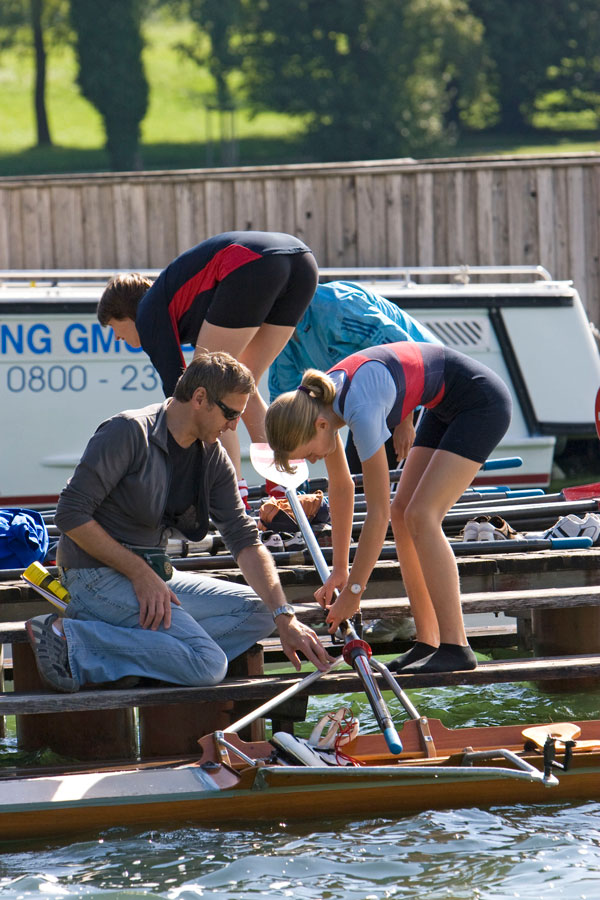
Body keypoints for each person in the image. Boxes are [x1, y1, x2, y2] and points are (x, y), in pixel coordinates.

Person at [25, 350, 330, 693]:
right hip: (92, 575)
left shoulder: (212, 455)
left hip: (154, 575)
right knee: (208, 664)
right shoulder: (128, 431)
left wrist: (285, 615)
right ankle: (67, 636)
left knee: (262, 611)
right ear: (200, 398)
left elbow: (244, 537)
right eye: (231, 414)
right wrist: (138, 572)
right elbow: (70, 514)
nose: (233, 426)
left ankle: (140, 657)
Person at [265, 342, 512, 674]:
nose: (312, 461)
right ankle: (429, 642)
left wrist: (354, 590)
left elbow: (375, 512)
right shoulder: (318, 406)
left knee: (421, 515)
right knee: (402, 513)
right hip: (442, 404)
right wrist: (340, 569)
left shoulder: (360, 412)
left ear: (320, 427)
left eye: (308, 453)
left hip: (480, 402)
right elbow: (341, 487)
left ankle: (457, 646)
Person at [96, 231, 318, 503]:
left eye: (113, 328)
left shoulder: (147, 313)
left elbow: (183, 398)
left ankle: (234, 494)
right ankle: (284, 489)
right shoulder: (171, 300)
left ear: (125, 314)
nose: (117, 338)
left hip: (255, 264)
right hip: (303, 262)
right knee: (245, 381)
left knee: (209, 393)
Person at [268, 280, 442, 472]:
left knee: (392, 488)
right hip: (372, 397)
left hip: (421, 385)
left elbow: (404, 349)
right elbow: (283, 403)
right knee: (360, 483)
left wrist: (405, 421)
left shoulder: (338, 307)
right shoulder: (281, 337)